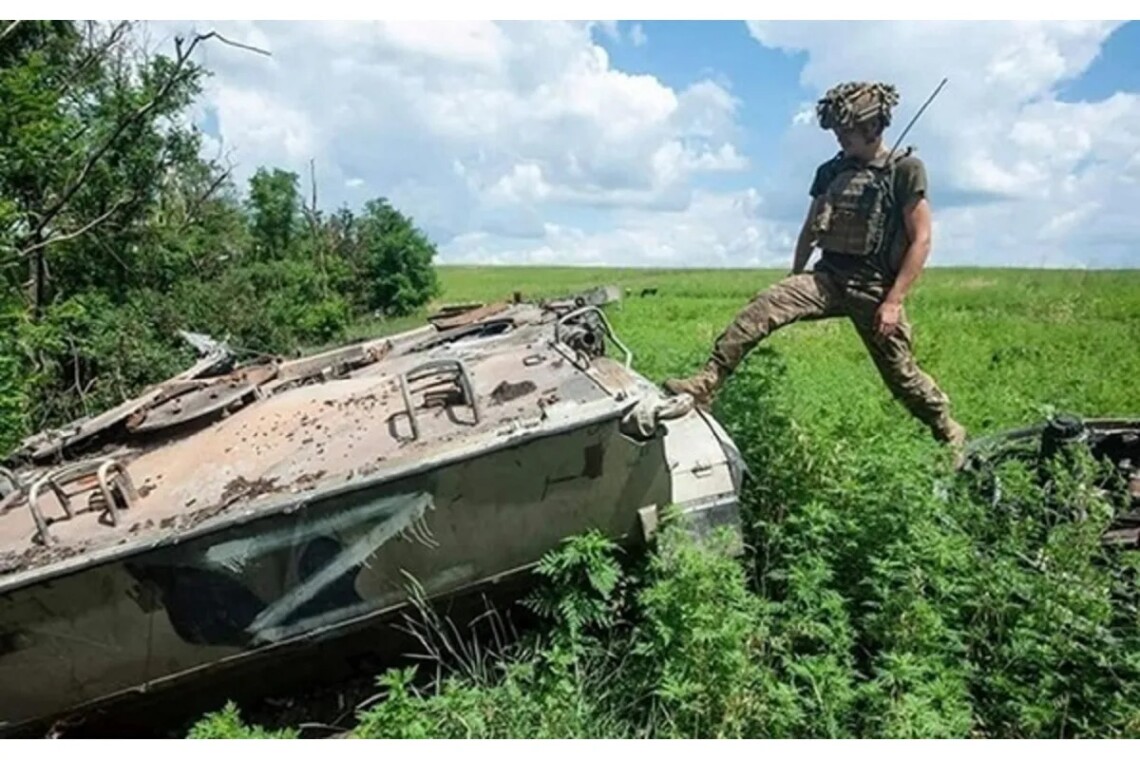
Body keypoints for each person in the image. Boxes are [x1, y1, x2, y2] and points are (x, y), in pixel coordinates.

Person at [663, 80, 967, 455]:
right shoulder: (830, 172)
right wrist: (793, 278)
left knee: (902, 376)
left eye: (847, 131)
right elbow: (810, 228)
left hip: (873, 289)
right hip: (828, 278)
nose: (840, 138)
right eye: (837, 131)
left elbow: (920, 239)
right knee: (762, 307)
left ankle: (948, 431)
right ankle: (706, 382)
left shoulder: (905, 170)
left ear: (873, 127)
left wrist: (894, 300)